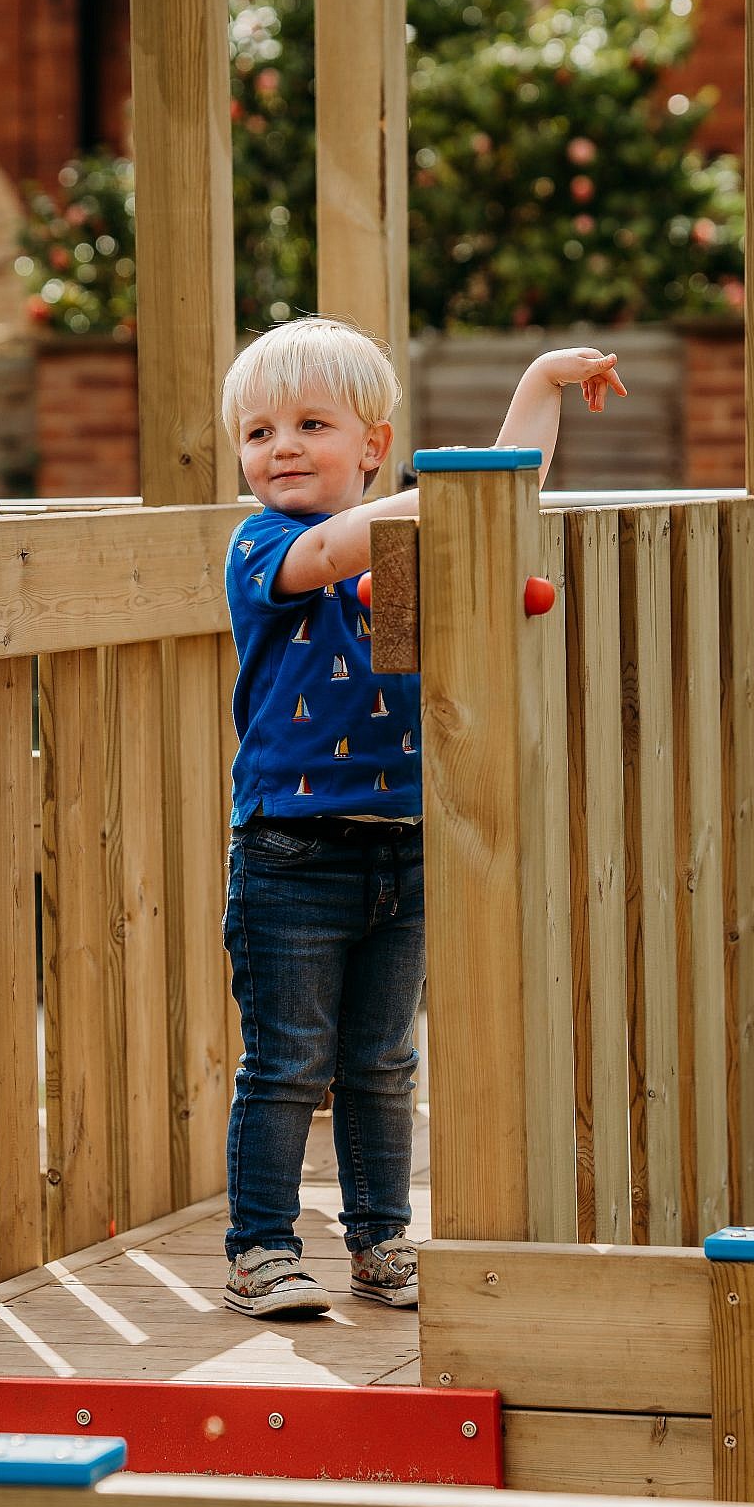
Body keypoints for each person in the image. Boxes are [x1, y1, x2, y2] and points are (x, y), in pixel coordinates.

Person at [218, 316, 621, 1316]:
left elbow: (499, 493)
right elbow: (348, 540)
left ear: (373, 446)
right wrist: (454, 490)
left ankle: (379, 1241)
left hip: (403, 848)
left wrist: (538, 383)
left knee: (382, 1064)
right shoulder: (267, 546)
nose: (282, 448)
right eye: (258, 432)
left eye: (311, 423)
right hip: (290, 851)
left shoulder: (390, 548)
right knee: (286, 1063)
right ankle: (261, 1248)